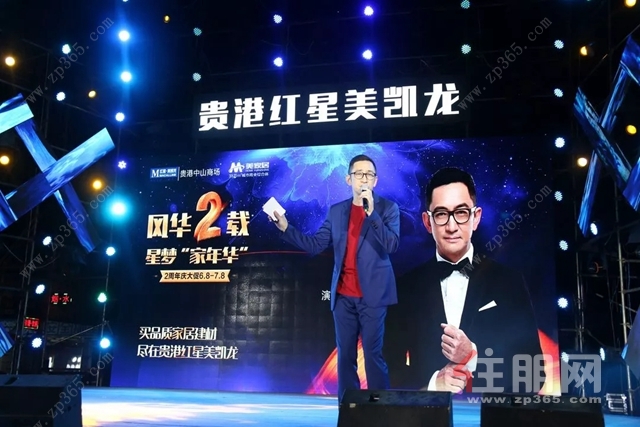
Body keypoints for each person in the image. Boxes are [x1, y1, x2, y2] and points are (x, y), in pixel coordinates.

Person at [386, 167, 545, 394]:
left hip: (490, 412)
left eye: (461, 212)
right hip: (427, 413)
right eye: (441, 214)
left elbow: (534, 375)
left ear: (476, 217)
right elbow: (387, 369)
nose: (451, 227)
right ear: (428, 222)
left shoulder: (508, 282)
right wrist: (433, 384)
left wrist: (472, 357)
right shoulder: (404, 286)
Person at [271, 154, 400, 401]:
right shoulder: (337, 211)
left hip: (374, 295)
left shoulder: (388, 209)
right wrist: (287, 228)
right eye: (359, 174)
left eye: (369, 174)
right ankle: (349, 409)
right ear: (348, 179)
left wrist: (371, 214)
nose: (364, 179)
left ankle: (381, 409)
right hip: (343, 297)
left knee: (372, 355)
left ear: (375, 181)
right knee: (345, 357)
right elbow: (316, 244)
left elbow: (392, 245)